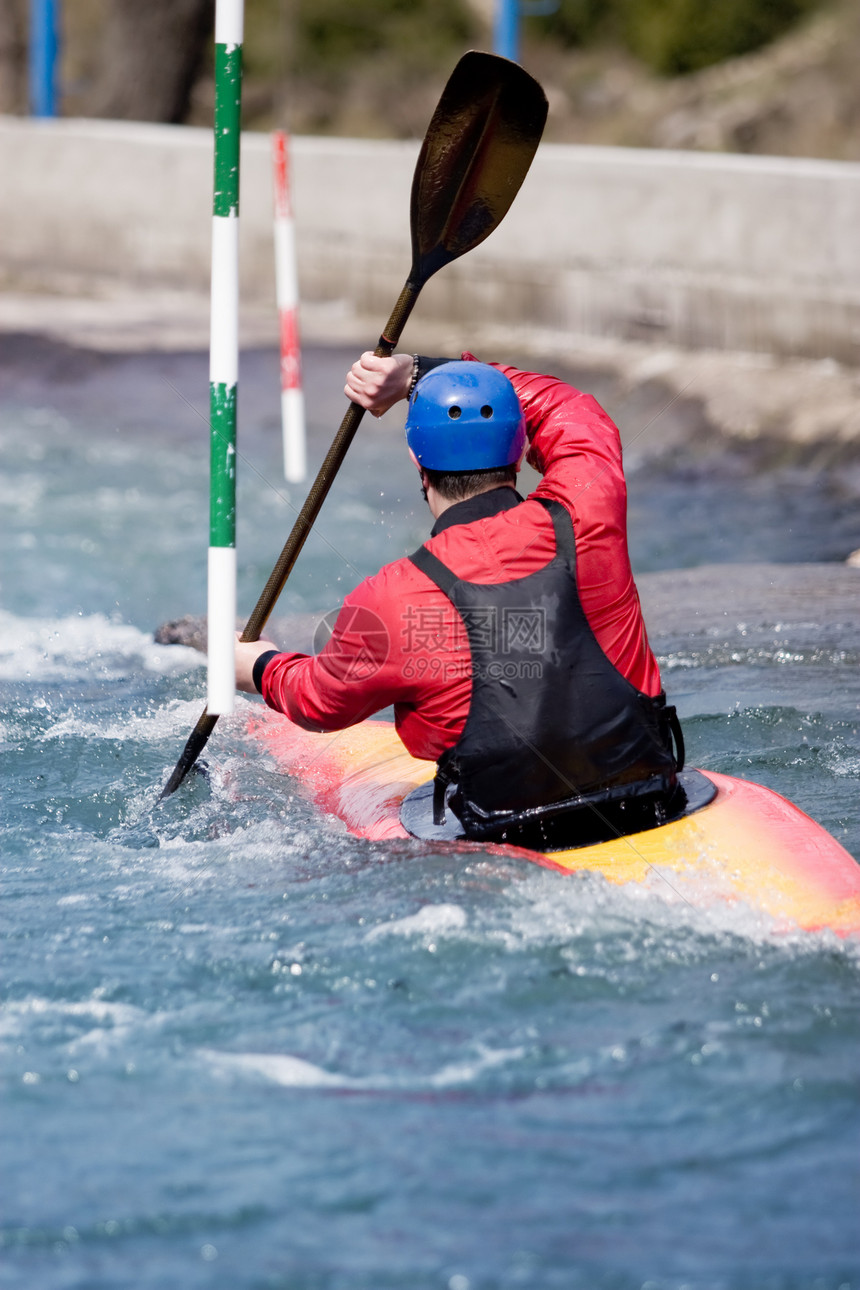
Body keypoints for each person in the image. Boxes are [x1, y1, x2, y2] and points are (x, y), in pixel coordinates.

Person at [235, 351, 684, 849]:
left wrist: (260, 666)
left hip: (504, 832)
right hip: (648, 798)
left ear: (416, 458)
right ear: (519, 449)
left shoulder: (390, 596)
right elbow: (571, 410)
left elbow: (319, 702)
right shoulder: (589, 506)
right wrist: (416, 375)